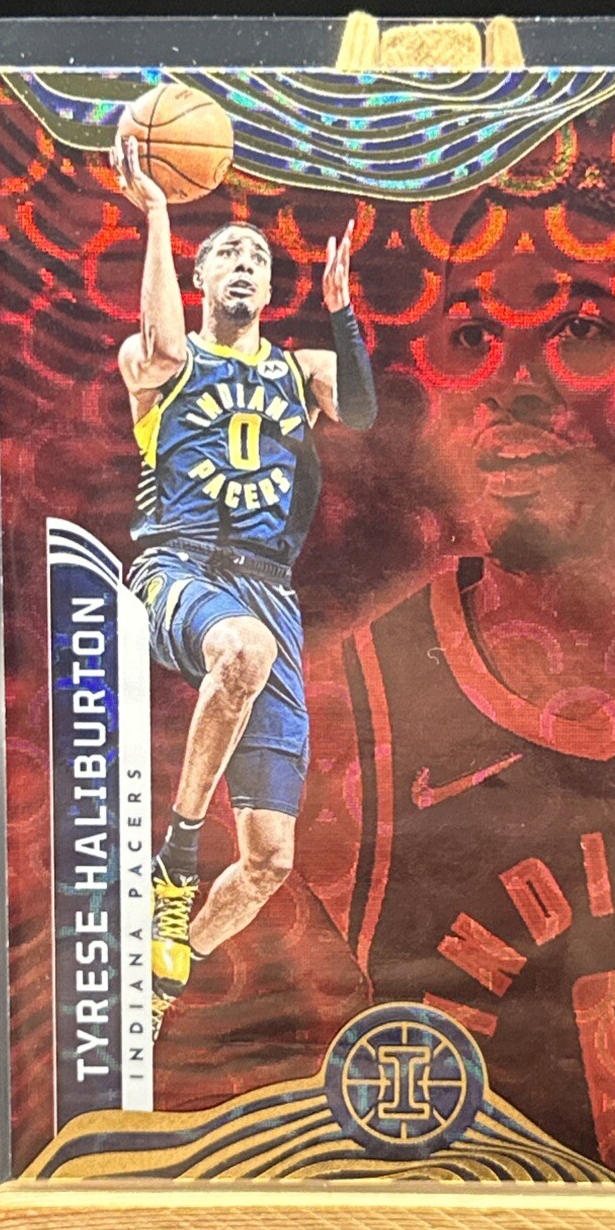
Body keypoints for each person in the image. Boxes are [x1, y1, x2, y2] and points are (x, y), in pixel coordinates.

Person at [300, 185, 615, 1183]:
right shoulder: (350, 697)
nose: (508, 383)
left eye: (580, 329)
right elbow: (274, 1076)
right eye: (470, 337)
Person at [110, 134, 378, 1037]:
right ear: (197, 277)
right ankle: (175, 859)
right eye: (226, 251)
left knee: (270, 860)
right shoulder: (159, 362)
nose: (244, 263)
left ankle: (157, 979)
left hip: (269, 589)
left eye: (257, 258)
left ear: (268, 290)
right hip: (177, 566)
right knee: (242, 649)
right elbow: (158, 342)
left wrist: (340, 312)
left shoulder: (299, 371)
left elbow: (363, 410)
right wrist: (157, 210)